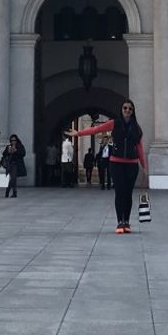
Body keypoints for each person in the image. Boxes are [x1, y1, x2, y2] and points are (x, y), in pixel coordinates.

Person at [68, 99, 148, 234]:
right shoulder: (114, 123)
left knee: (128, 194)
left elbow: (139, 147)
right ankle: (119, 222)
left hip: (131, 164)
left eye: (130, 109)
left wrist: (144, 166)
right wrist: (78, 134)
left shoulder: (136, 128)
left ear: (133, 111)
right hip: (116, 163)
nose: (127, 110)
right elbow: (96, 129)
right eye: (125, 108)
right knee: (119, 193)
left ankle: (126, 221)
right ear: (121, 110)